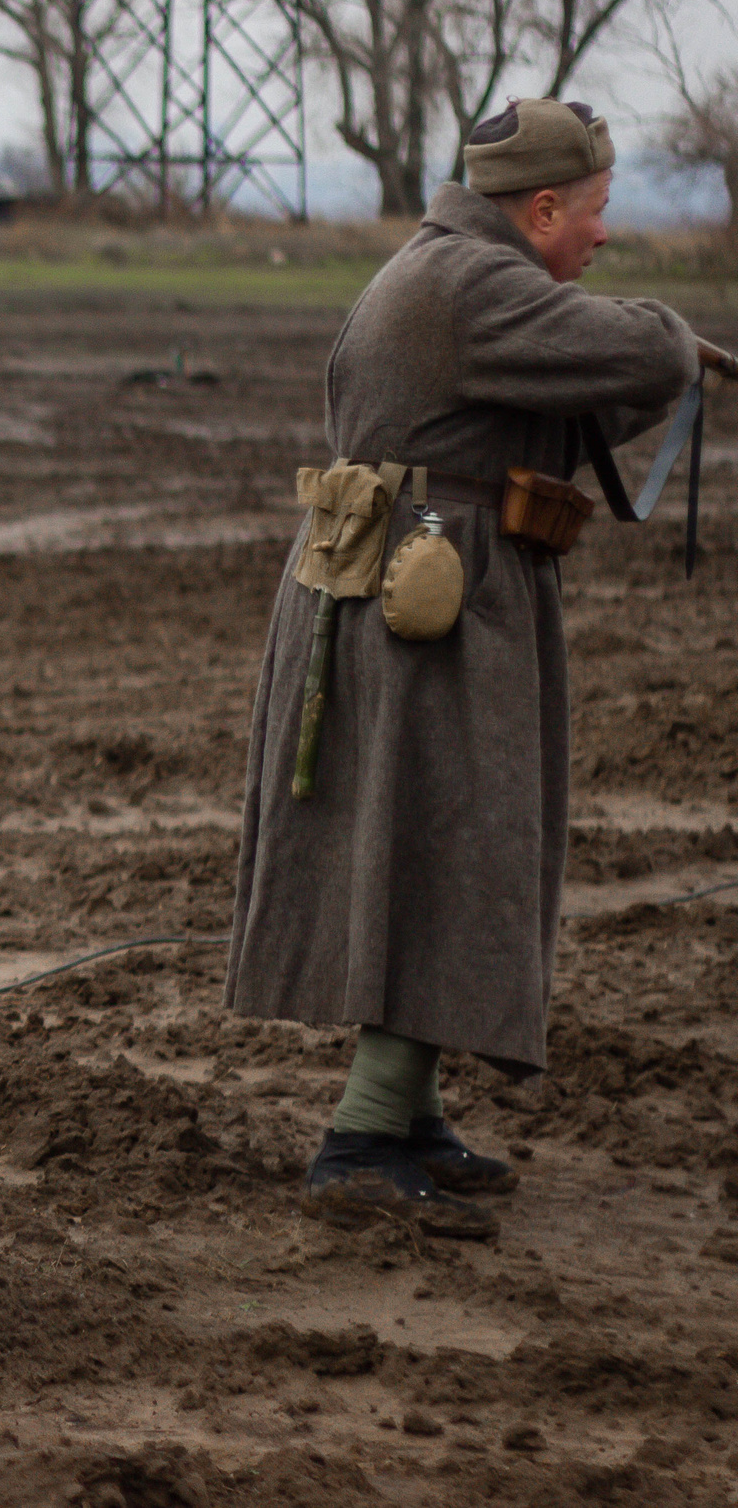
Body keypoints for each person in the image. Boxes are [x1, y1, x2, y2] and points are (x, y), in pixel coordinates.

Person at [227, 100, 725, 1237]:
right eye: (595, 211)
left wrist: (649, 364)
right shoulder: (475, 284)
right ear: (540, 210)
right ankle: (362, 1139)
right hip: (428, 605)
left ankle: (411, 1120)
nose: (605, 234)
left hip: (422, 590)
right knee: (450, 849)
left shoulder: (461, 274)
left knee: (440, 843)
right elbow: (644, 352)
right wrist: (669, 341)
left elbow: (584, 393)